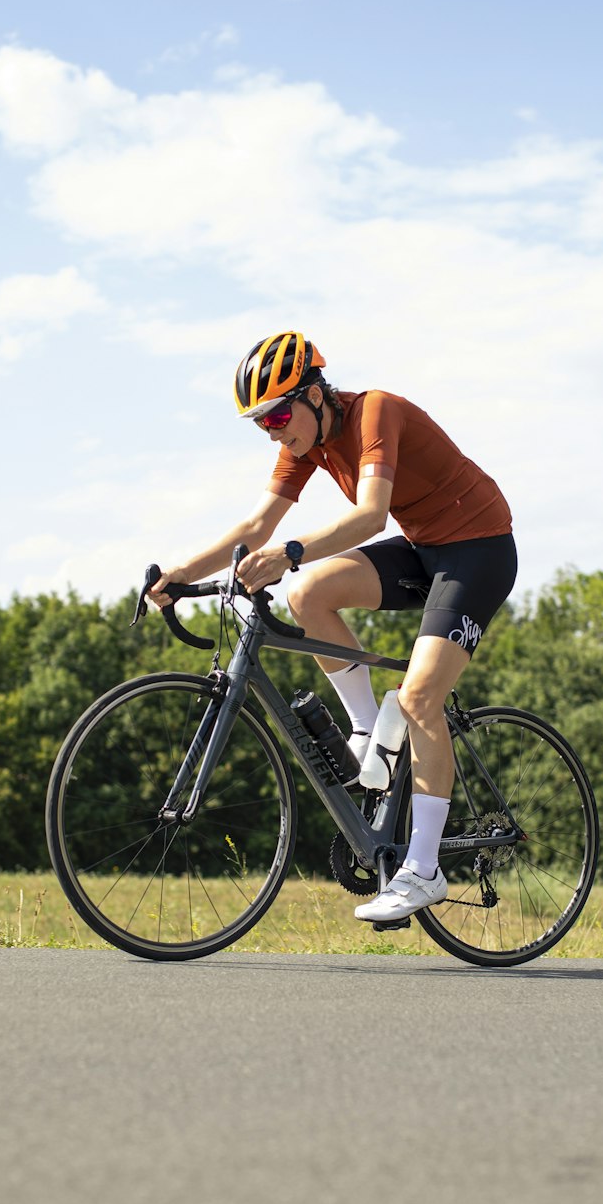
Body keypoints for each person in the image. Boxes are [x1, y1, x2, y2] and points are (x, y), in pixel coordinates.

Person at [151, 331, 517, 925]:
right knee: (307, 592)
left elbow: (371, 514)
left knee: (421, 697)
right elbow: (257, 522)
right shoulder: (305, 442)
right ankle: (369, 730)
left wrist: (289, 549)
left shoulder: (376, 412)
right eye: (261, 423)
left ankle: (424, 871)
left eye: (278, 414)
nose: (274, 430)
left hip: (479, 550)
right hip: (426, 548)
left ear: (315, 393)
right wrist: (181, 572)